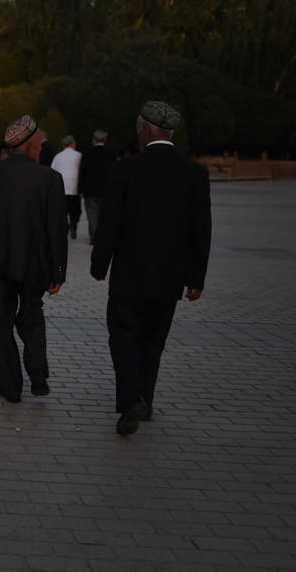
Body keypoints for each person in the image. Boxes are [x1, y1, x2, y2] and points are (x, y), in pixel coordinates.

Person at [90, 101, 211, 436]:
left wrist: (99, 265)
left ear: (144, 130)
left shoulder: (126, 170)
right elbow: (202, 230)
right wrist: (195, 278)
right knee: (153, 341)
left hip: (129, 275)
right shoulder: (195, 173)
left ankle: (131, 401)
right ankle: (146, 399)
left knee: (124, 337)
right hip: (170, 278)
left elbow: (109, 224)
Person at [0, 115, 68, 402]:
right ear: (30, 146)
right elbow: (57, 228)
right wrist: (58, 271)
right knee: (32, 313)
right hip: (34, 262)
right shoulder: (50, 178)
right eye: (39, 144)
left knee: (1, 323)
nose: (42, 149)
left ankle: (10, 387)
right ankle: (38, 371)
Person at [79, 129, 116, 245]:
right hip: (106, 189)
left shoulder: (87, 152)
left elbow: (82, 171)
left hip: (89, 189)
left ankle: (94, 237)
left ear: (94, 140)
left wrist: (80, 189)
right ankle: (101, 236)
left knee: (92, 214)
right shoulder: (111, 153)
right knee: (102, 214)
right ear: (105, 140)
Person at [50, 134, 82, 239]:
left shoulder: (58, 157)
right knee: (75, 211)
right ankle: (73, 225)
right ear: (72, 143)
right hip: (75, 188)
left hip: (62, 189)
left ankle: (64, 228)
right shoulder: (79, 155)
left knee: (63, 212)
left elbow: (52, 172)